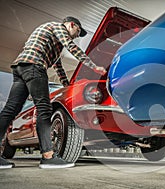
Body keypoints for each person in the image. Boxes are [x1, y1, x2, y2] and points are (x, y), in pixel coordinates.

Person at [0, 16, 106, 169]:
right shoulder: (58, 27)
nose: (77, 35)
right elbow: (71, 46)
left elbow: (59, 68)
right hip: (34, 66)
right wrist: (93, 66)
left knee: (10, 110)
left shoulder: (52, 40)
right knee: (44, 109)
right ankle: (48, 157)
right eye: (78, 31)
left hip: (21, 67)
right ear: (71, 25)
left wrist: (67, 86)